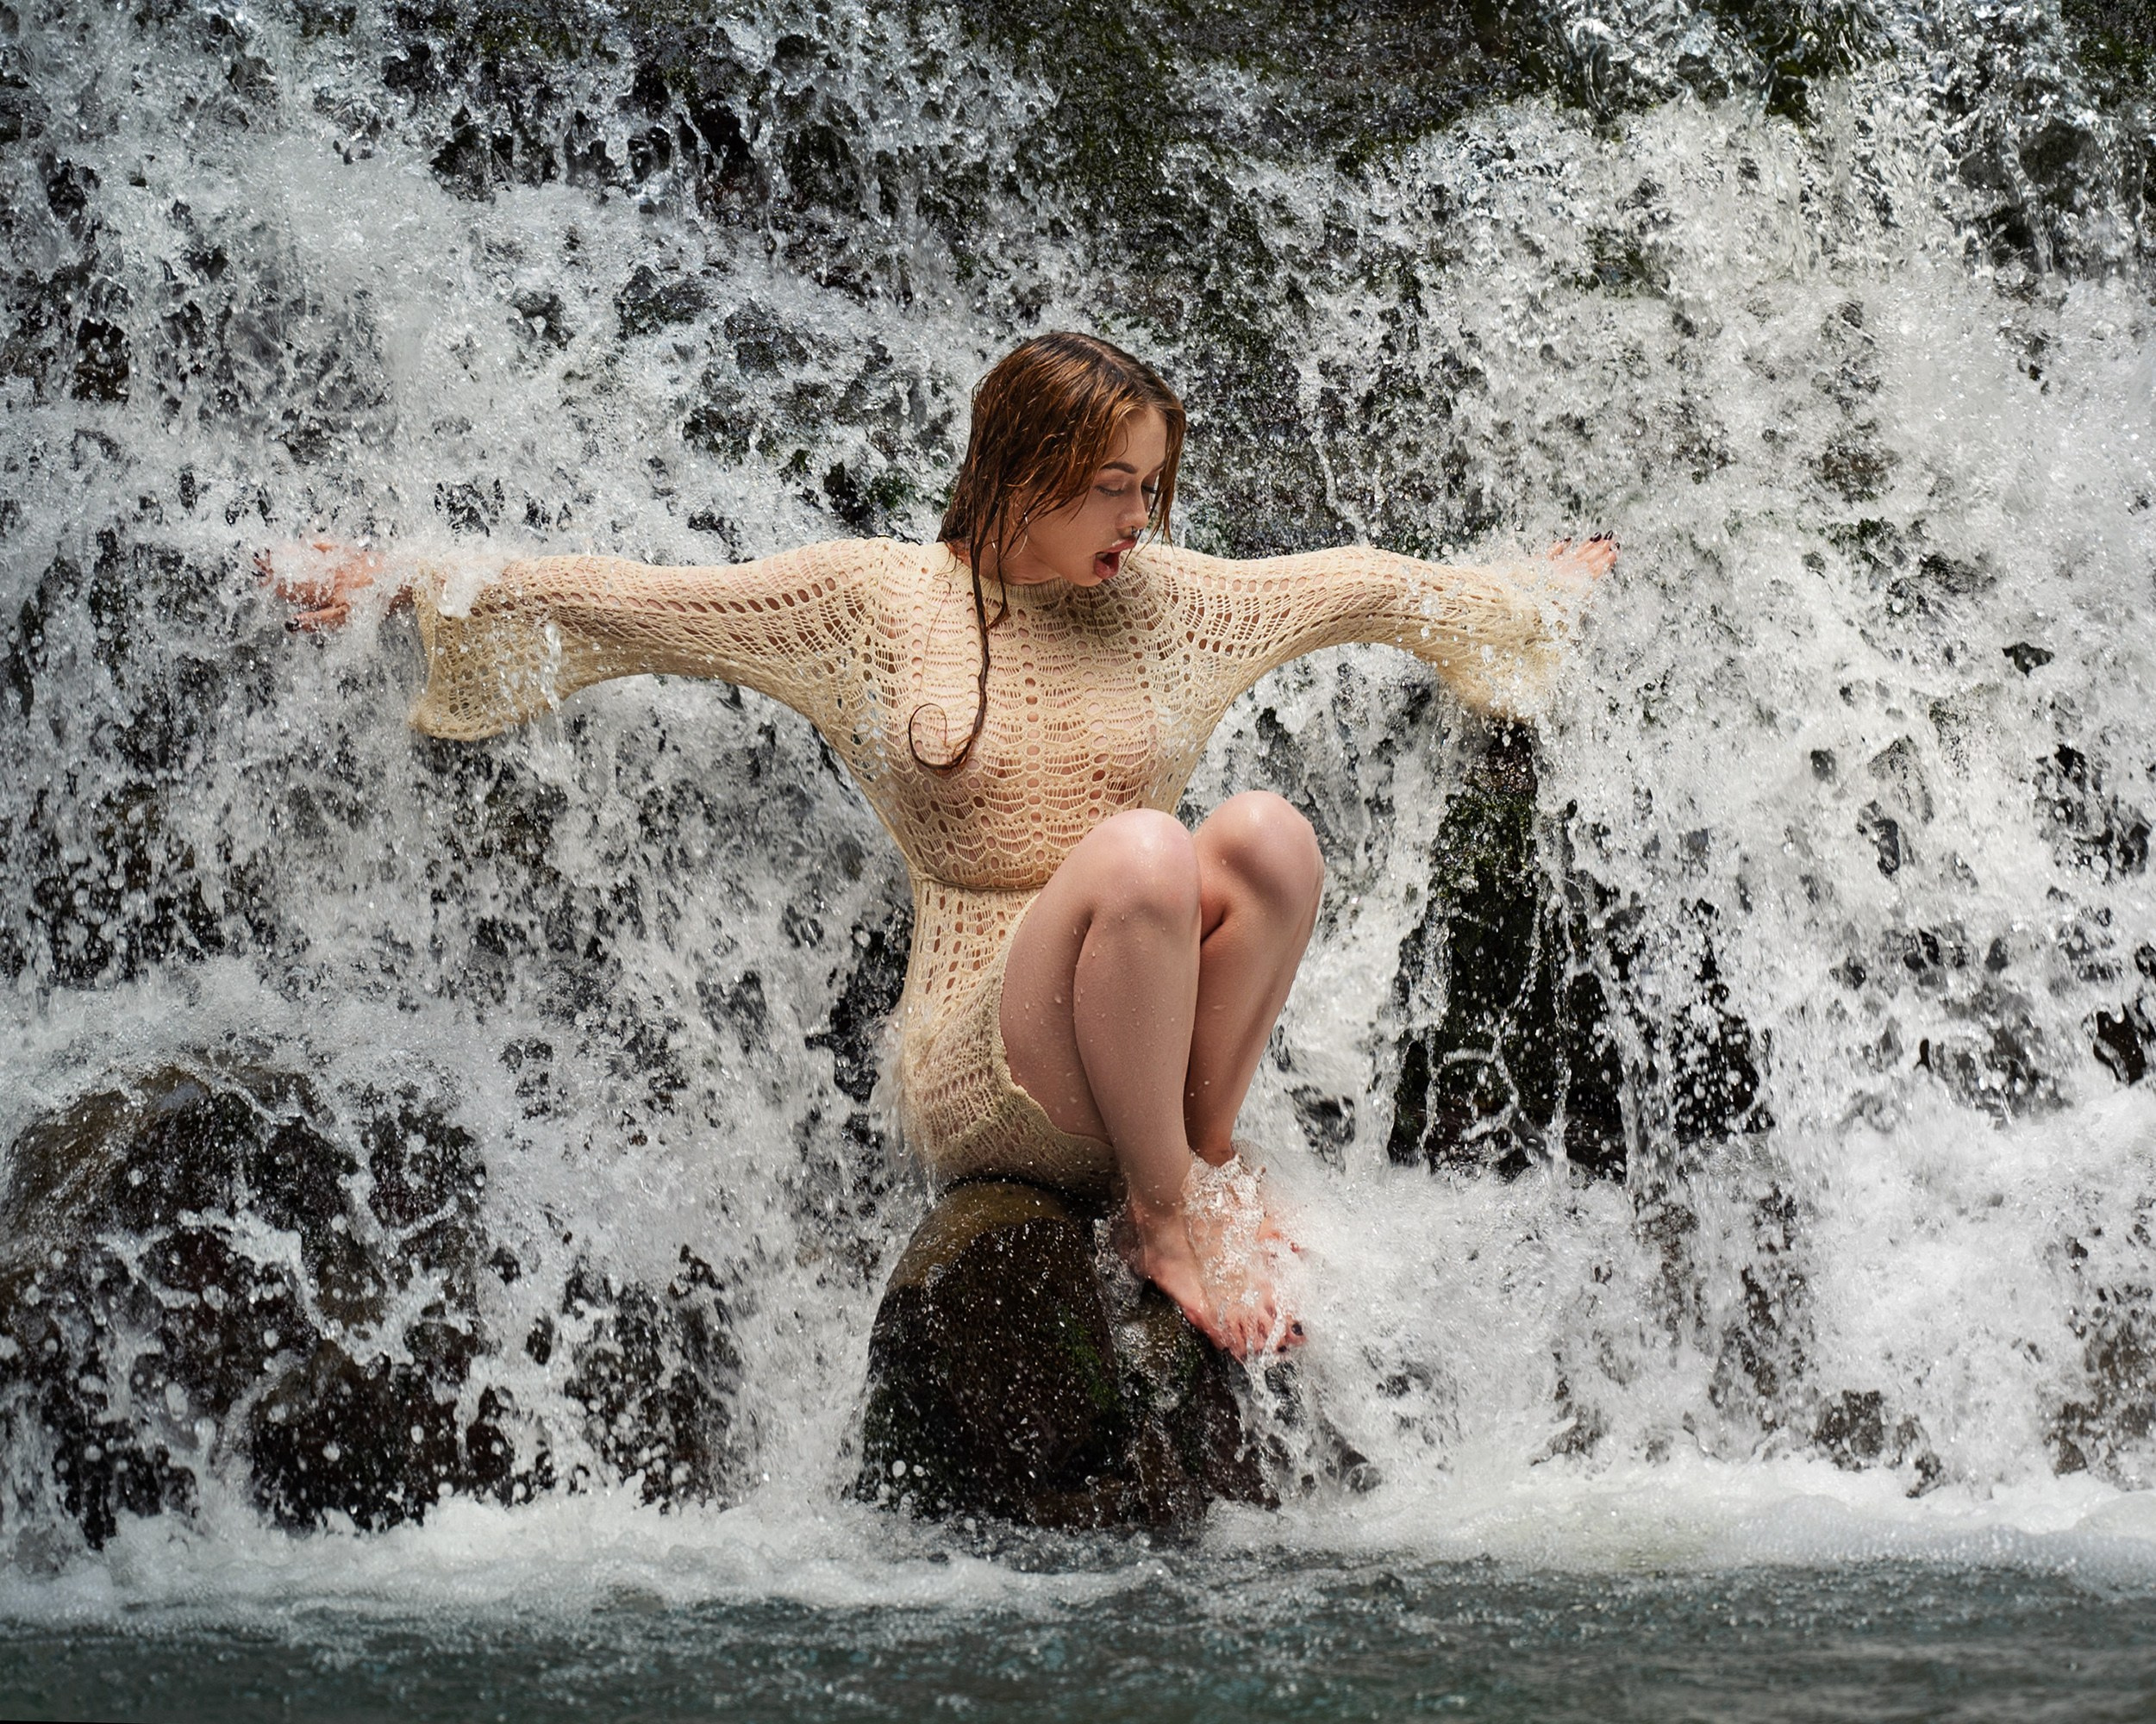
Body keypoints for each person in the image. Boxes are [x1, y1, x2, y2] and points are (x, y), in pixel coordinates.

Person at [269, 331, 1614, 1357]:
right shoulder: (869, 603)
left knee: (1263, 835)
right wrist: (397, 583)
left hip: (1149, 1042)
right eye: (1108, 488)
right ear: (1018, 467)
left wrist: (1529, 596)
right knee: (1147, 851)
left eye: (1150, 488)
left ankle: (1201, 1157)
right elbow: (630, 608)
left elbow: (1367, 583)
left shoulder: (1176, 603)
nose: (1138, 522)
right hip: (995, 1060)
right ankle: (1162, 1218)